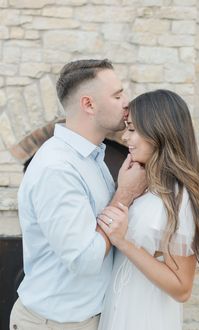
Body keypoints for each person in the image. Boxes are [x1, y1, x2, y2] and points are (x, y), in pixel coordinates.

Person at [10, 59, 146, 330]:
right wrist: (125, 195)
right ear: (88, 104)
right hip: (55, 324)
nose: (126, 102)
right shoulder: (57, 169)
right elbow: (86, 259)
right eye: (117, 95)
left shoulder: (91, 156)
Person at [97, 89, 199, 330]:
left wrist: (124, 242)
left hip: (146, 315)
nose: (124, 137)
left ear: (159, 132)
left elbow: (182, 288)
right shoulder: (142, 183)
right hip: (119, 305)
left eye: (132, 129)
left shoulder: (181, 197)